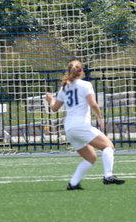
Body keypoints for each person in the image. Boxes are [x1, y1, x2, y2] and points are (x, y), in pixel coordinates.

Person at [45, 59, 125, 190]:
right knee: (108, 146)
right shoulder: (86, 85)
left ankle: (73, 184)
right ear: (81, 72)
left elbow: (54, 108)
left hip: (69, 129)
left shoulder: (64, 88)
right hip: (81, 125)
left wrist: (50, 100)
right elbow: (93, 104)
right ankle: (108, 175)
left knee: (90, 157)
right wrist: (100, 118)